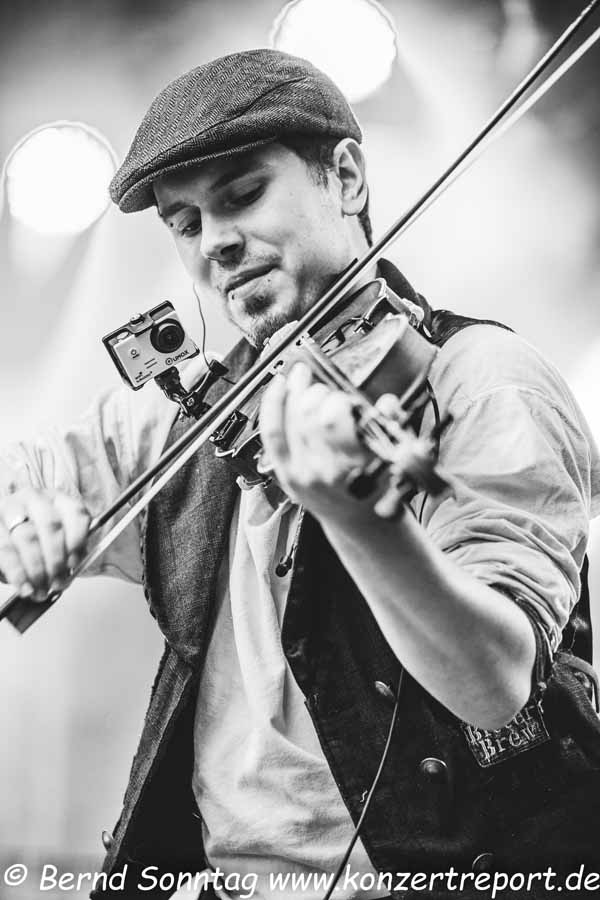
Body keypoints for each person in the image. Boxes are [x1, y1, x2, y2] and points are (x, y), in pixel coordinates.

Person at [1, 48, 600, 900]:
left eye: (243, 195)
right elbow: (22, 469)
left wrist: (363, 522)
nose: (216, 242)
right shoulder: (192, 415)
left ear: (345, 178)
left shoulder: (478, 380)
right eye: (185, 223)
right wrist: (24, 521)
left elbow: (496, 682)